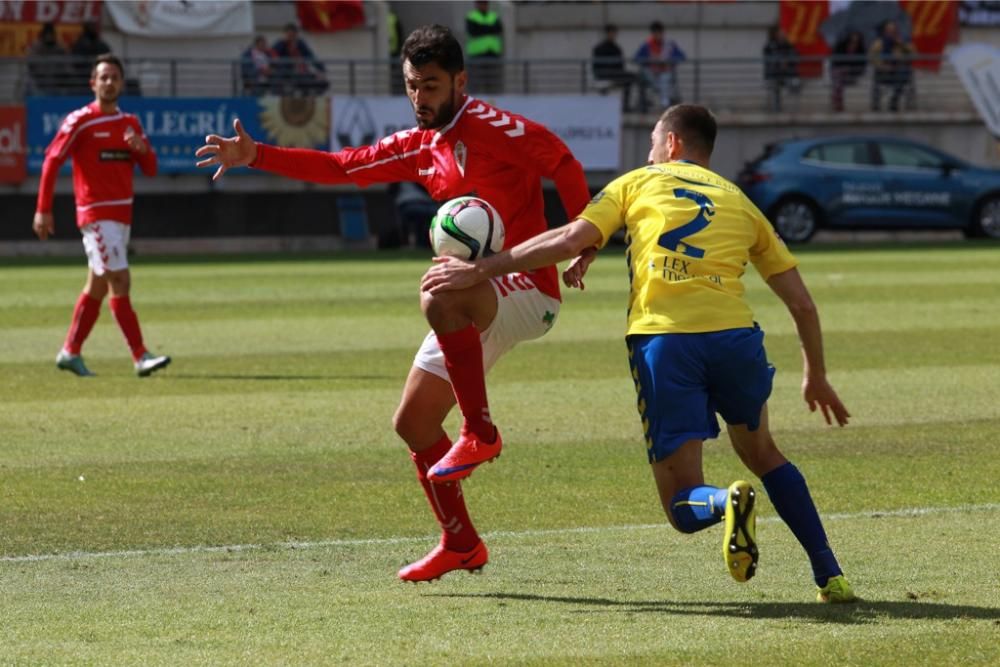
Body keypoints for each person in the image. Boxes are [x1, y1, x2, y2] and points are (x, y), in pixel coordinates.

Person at [195, 24, 590, 582]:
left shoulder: (492, 126)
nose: (419, 98)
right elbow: (340, 166)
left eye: (430, 86)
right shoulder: (420, 147)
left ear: (460, 80)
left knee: (437, 291)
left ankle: (480, 430)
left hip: (529, 290)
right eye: (411, 86)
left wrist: (583, 241)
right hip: (475, 292)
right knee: (415, 423)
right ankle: (461, 543)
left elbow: (564, 163)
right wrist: (257, 154)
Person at [421, 104, 857, 603]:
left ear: (671, 144)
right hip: (736, 339)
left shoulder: (638, 182)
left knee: (680, 502)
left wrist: (481, 270)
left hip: (667, 343)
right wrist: (815, 374)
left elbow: (568, 237)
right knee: (764, 453)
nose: (649, 151)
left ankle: (726, 501)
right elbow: (801, 302)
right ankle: (831, 575)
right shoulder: (741, 201)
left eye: (653, 141)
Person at [33, 54, 171, 379]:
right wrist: (43, 208)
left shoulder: (131, 124)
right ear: (92, 83)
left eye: (114, 77)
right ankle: (140, 355)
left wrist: (140, 148)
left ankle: (70, 351)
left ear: (122, 83)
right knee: (120, 279)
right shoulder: (80, 120)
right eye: (103, 77)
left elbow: (151, 169)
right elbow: (52, 160)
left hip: (122, 216)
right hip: (95, 215)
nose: (109, 82)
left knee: (98, 285)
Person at [634, 21, 685, 112]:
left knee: (665, 78)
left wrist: (668, 60)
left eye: (659, 33)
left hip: (665, 72)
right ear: (652, 34)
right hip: (652, 74)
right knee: (646, 73)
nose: (658, 35)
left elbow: (681, 57)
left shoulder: (669, 45)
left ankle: (664, 103)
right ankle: (666, 98)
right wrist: (650, 60)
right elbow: (637, 58)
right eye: (655, 33)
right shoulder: (647, 45)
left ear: (662, 33)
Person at [271, 23, 328, 95]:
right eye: (289, 35)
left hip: (301, 72)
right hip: (286, 73)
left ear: (296, 34)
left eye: (293, 35)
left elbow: (310, 56)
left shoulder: (300, 43)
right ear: (285, 34)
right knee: (282, 85)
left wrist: (321, 69)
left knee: (322, 83)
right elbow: (272, 54)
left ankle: (306, 95)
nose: (291, 37)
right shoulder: (280, 43)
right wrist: (284, 43)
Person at [591, 24, 638, 112]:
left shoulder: (617, 48)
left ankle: (626, 106)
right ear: (607, 33)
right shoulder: (599, 48)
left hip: (616, 74)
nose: (613, 35)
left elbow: (621, 65)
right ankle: (603, 107)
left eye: (614, 33)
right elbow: (596, 66)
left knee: (631, 78)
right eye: (612, 33)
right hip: (603, 74)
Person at [869, 20, 913, 112]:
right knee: (877, 78)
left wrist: (901, 44)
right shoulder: (879, 42)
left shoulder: (901, 42)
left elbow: (913, 53)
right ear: (885, 31)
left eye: (893, 30)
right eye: (889, 30)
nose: (891, 32)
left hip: (898, 71)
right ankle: (876, 104)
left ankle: (894, 100)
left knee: (904, 73)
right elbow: (872, 57)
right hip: (884, 71)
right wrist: (882, 66)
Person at [465, 1, 503, 94]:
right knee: (476, 82)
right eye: (481, 3)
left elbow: (498, 30)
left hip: (492, 54)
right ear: (477, 4)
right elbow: (473, 31)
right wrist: (489, 28)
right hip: (477, 55)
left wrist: (482, 28)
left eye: (485, 3)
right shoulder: (471, 16)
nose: (483, 5)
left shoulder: (494, 16)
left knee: (492, 82)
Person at [762, 26, 800, 112]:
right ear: (775, 34)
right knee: (775, 86)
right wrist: (779, 63)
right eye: (781, 32)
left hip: (787, 74)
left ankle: (793, 109)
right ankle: (776, 108)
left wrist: (788, 61)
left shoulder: (788, 45)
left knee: (795, 83)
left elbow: (795, 57)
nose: (783, 34)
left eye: (783, 33)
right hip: (774, 74)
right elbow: (768, 59)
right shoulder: (770, 46)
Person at [26, 22, 68, 95]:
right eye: (47, 34)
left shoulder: (60, 47)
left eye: (51, 34)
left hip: (56, 83)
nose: (49, 36)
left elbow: (67, 65)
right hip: (39, 82)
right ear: (43, 34)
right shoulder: (36, 47)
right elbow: (31, 64)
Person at [70, 21, 112, 94]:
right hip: (82, 76)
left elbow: (108, 55)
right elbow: (74, 60)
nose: (92, 29)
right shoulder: (80, 44)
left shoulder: (100, 44)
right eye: (90, 27)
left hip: (98, 75)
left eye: (93, 27)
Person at [830, 30, 866, 112]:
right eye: (854, 35)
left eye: (857, 35)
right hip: (839, 70)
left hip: (853, 72)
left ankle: (837, 100)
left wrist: (851, 67)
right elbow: (836, 59)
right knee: (838, 79)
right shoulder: (841, 45)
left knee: (838, 80)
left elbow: (862, 63)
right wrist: (844, 65)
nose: (855, 37)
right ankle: (838, 102)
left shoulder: (861, 48)